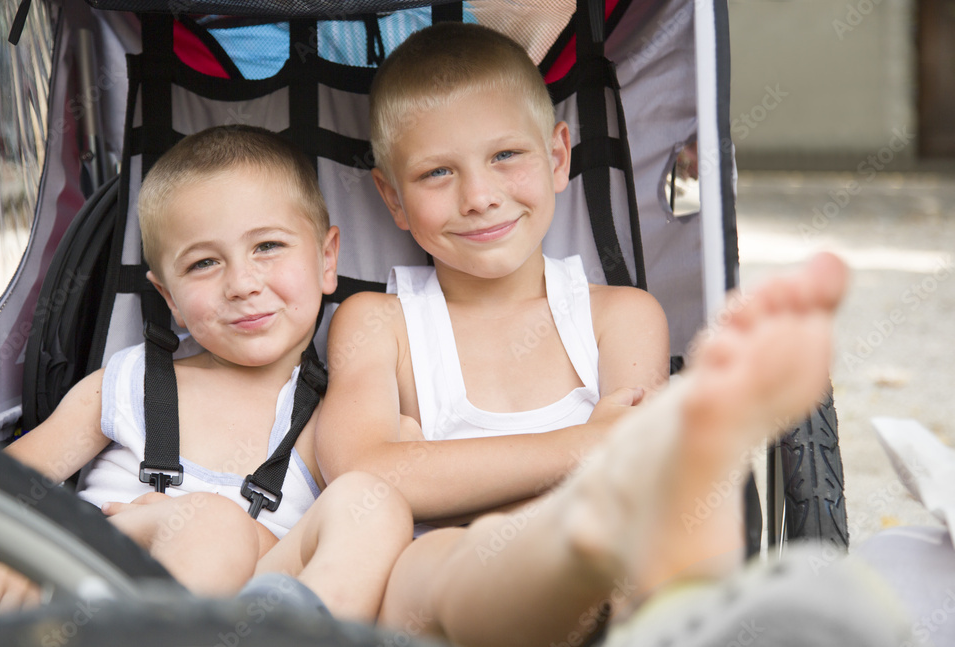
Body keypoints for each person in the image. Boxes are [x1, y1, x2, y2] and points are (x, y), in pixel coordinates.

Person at [315, 22, 848, 646]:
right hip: (437, 608)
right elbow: (359, 473)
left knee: (638, 534)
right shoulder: (380, 323)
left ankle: (619, 562)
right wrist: (589, 446)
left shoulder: (619, 317)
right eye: (437, 173)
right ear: (393, 198)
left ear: (559, 156)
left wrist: (435, 473)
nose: (480, 196)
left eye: (506, 156)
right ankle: (580, 541)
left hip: (598, 603)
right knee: (442, 563)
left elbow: (636, 470)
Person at [0, 126, 412, 623]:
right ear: (169, 298)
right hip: (94, 596)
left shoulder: (342, 420)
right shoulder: (127, 386)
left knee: (374, 502)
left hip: (252, 611)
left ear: (327, 260)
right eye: (204, 263)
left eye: (268, 247)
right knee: (213, 522)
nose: (241, 284)